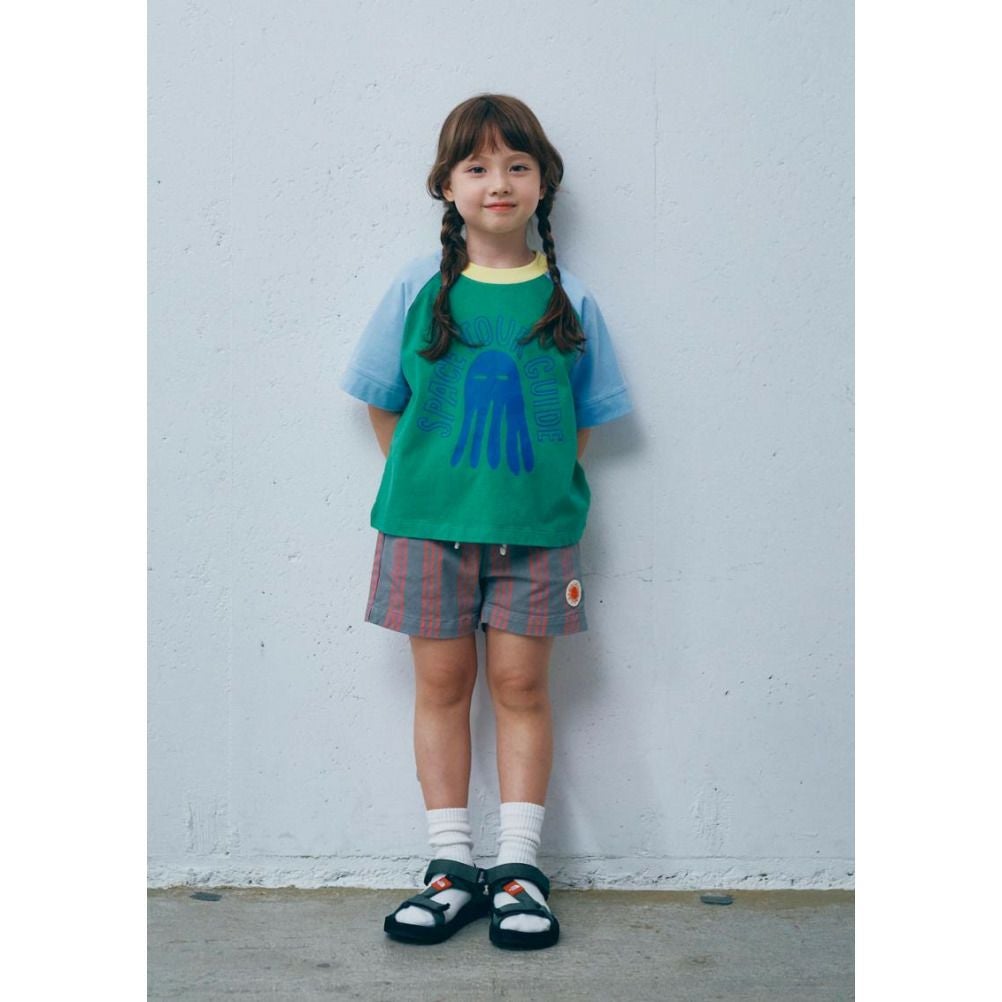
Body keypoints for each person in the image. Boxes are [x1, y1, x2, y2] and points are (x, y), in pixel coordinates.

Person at [340, 94, 632, 950]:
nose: (497, 181)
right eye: (477, 166)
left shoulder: (569, 299)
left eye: (516, 165)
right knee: (441, 689)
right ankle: (450, 866)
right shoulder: (418, 289)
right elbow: (381, 402)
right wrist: (430, 486)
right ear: (446, 184)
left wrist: (528, 492)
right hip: (424, 529)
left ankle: (518, 869)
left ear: (543, 183)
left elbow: (580, 424)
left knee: (520, 688)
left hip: (536, 536)